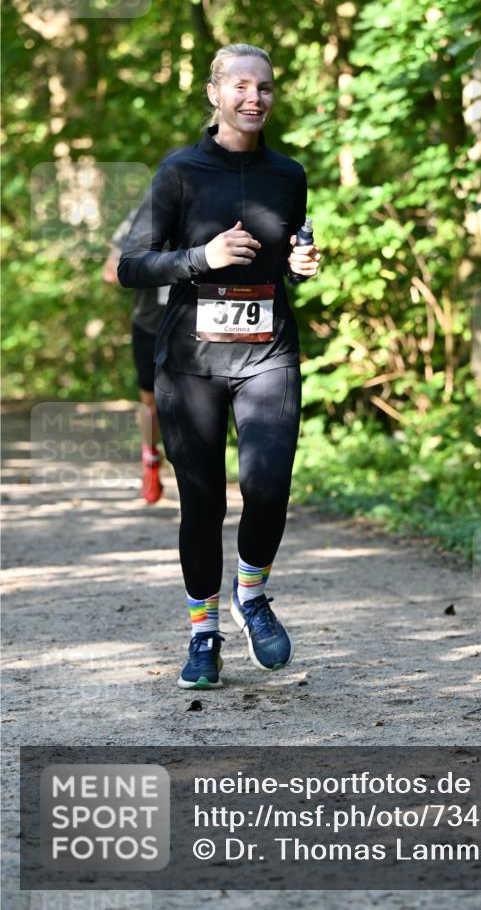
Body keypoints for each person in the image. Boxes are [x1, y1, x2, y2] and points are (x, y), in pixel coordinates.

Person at [117, 43, 321, 689]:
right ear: (214, 94)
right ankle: (202, 633)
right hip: (190, 361)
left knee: (267, 483)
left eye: (263, 87)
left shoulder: (288, 174)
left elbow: (287, 254)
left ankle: (252, 596)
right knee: (201, 504)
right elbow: (131, 265)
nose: (253, 98)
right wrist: (200, 257)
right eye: (240, 86)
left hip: (268, 350)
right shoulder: (180, 171)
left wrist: (301, 266)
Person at [102, 209, 168, 504]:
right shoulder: (141, 217)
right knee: (150, 401)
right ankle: (151, 458)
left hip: (199, 323)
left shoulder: (211, 207)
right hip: (150, 323)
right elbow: (110, 272)